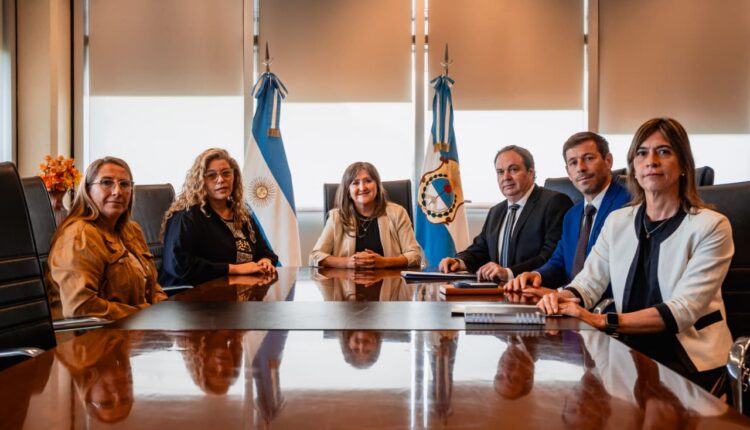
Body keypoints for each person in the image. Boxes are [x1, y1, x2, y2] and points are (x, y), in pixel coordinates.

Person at [535, 118, 734, 394]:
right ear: (634, 168)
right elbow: (588, 283)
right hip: (627, 352)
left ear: (683, 166)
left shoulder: (710, 226)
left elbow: (684, 310)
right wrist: (562, 297)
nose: (651, 161)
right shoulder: (617, 221)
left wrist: (602, 321)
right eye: (642, 153)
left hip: (689, 359)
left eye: (663, 151)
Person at [509, 132, 630, 297]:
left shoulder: (628, 205)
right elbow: (560, 261)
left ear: (608, 161)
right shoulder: (572, 214)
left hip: (606, 307)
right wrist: (537, 275)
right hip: (569, 302)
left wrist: (563, 293)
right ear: (568, 172)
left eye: (589, 158)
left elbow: (620, 272)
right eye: (573, 162)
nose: (580, 168)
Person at [48, 157, 167, 320]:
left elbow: (151, 285)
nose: (117, 191)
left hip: (137, 326)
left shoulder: (132, 230)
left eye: (124, 184)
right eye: (106, 182)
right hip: (94, 333)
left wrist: (162, 303)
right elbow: (80, 307)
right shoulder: (79, 235)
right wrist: (142, 313)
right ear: (88, 190)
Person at [439, 145, 573, 281]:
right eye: (500, 172)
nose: (506, 177)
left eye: (513, 169)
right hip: (498, 290)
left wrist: (509, 273)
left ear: (531, 172)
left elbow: (551, 257)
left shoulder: (554, 203)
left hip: (537, 289)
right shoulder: (496, 211)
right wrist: (459, 261)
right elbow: (480, 249)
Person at [160, 148, 278, 286]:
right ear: (200, 181)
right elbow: (179, 265)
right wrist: (234, 269)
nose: (221, 180)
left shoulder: (241, 214)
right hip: (191, 295)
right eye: (211, 175)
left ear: (234, 177)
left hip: (235, 292)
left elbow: (265, 251)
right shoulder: (186, 216)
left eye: (226, 173)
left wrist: (265, 261)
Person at [309, 161, 422, 269]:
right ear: (348, 190)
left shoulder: (398, 213)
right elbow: (315, 257)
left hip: (391, 281)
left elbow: (415, 255)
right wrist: (347, 262)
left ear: (377, 185)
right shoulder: (336, 217)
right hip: (346, 281)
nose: (362, 187)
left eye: (368, 181)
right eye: (355, 183)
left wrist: (384, 262)